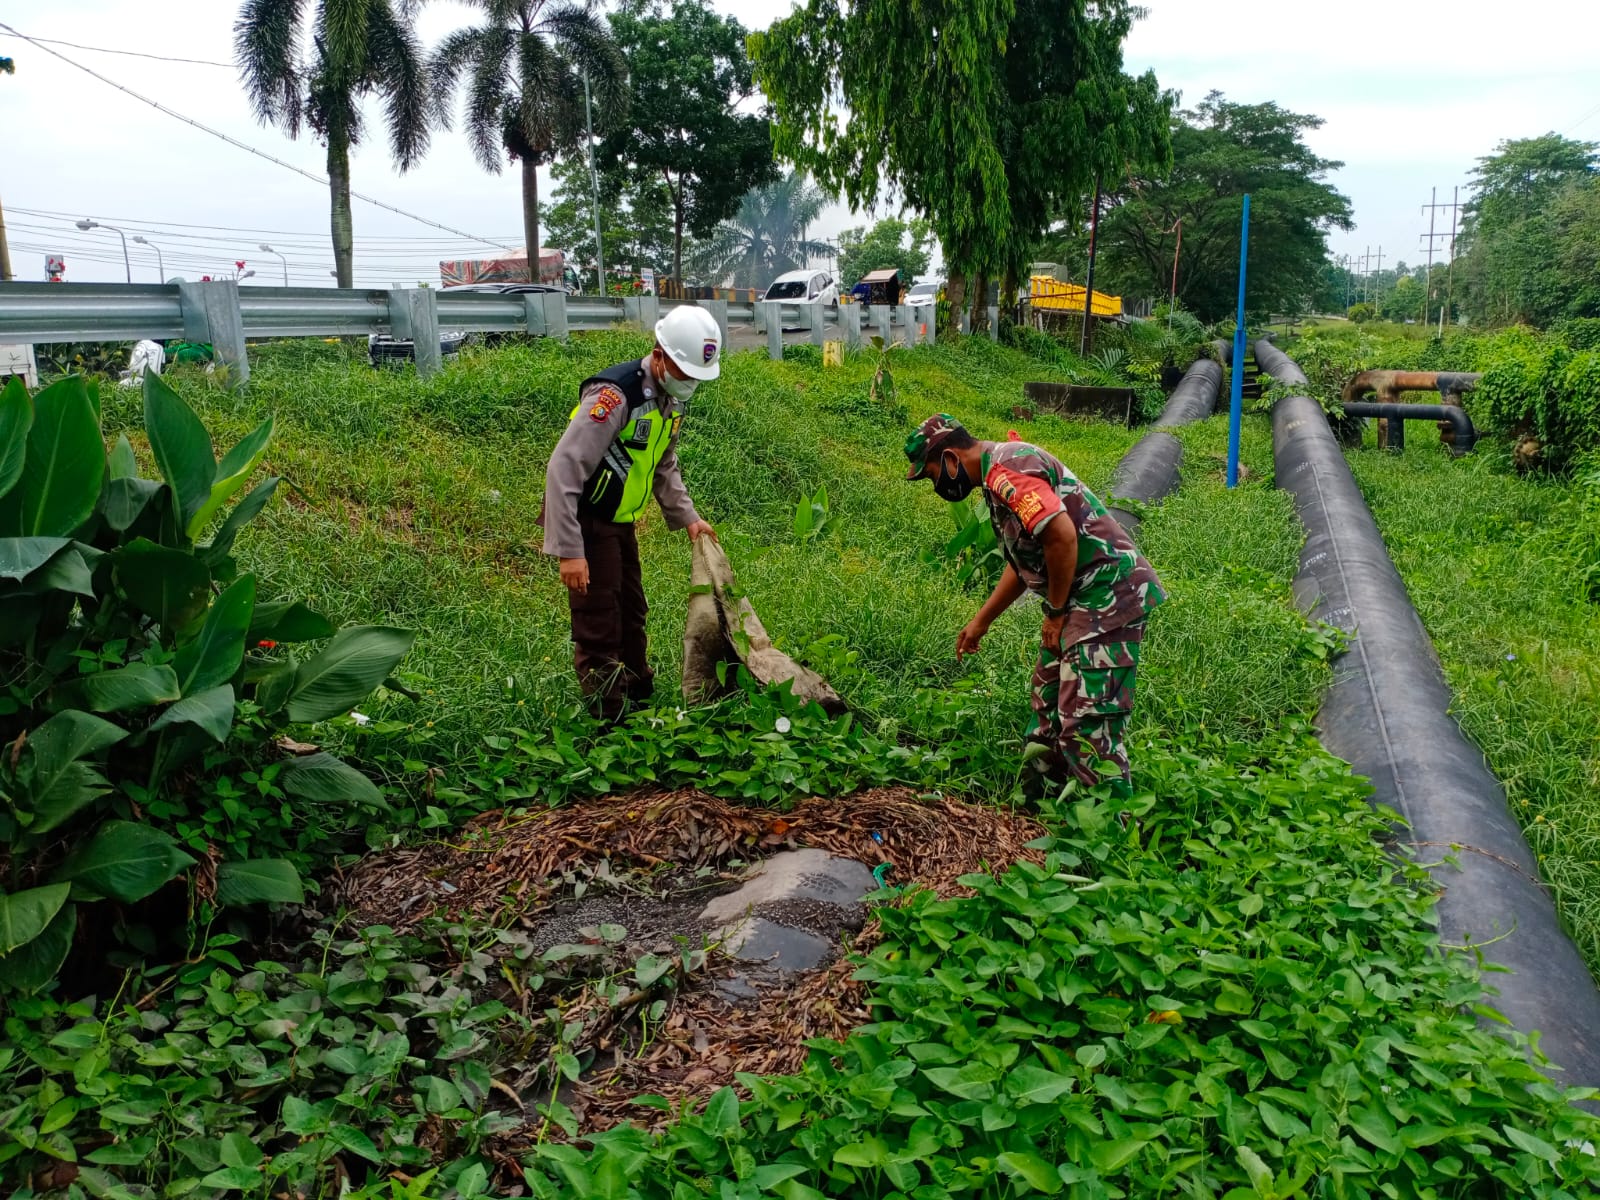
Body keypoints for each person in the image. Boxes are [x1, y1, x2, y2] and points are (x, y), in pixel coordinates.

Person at [904, 414, 1166, 796]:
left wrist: (1056, 613)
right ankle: (1046, 806)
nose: (936, 486)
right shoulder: (995, 480)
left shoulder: (1009, 470)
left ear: (950, 459)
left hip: (1106, 596)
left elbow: (1061, 536)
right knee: (1047, 712)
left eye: (931, 475)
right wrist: (981, 621)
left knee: (1087, 726)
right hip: (1077, 600)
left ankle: (1109, 821)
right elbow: (1022, 562)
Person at [541, 306, 722, 723]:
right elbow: (564, 467)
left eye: (696, 376)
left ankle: (639, 701)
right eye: (684, 371)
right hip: (588, 522)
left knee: (632, 612)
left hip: (621, 523)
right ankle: (610, 722)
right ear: (659, 356)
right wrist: (570, 551)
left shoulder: (670, 400)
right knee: (599, 621)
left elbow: (663, 465)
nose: (689, 381)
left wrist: (689, 517)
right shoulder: (616, 396)